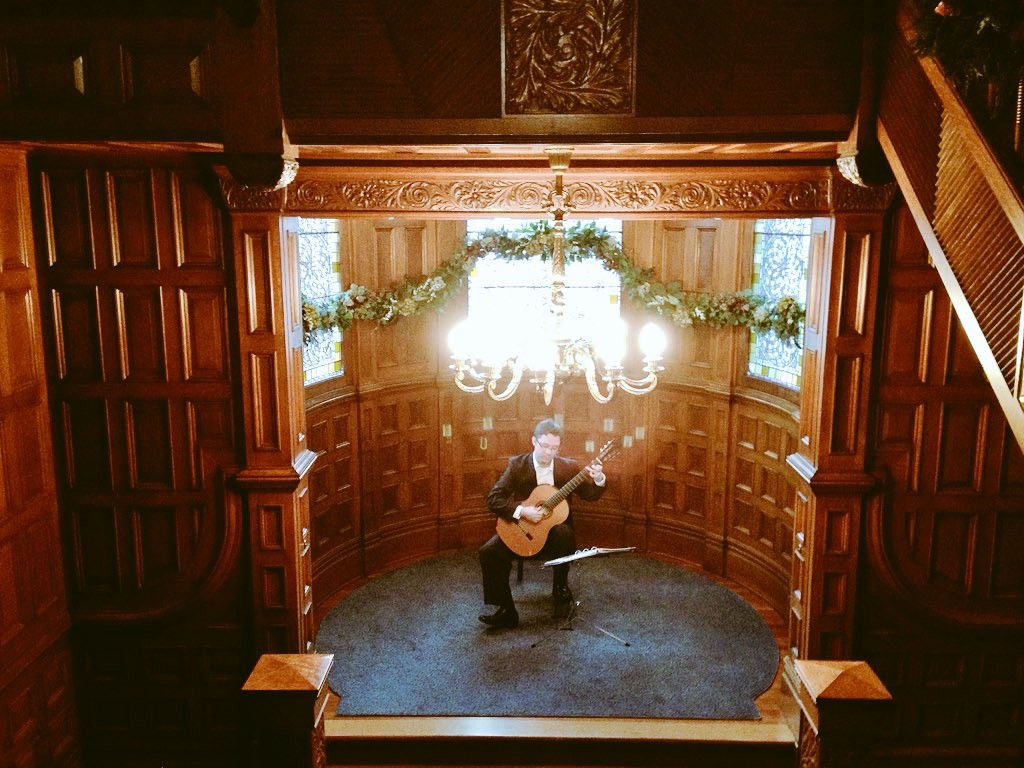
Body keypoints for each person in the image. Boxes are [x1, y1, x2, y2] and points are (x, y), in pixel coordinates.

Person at [478, 418, 607, 629]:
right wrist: (523, 511)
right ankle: (506, 610)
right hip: (522, 530)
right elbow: (494, 499)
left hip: (555, 536)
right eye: (545, 446)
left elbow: (590, 494)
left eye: (554, 448)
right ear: (534, 441)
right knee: (488, 552)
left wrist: (599, 478)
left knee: (564, 532)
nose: (549, 452)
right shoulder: (517, 465)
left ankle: (560, 591)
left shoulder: (568, 467)